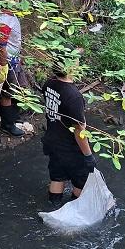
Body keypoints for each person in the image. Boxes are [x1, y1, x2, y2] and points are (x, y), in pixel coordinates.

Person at [41, 48, 96, 203]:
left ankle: (53, 207)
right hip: (70, 147)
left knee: (57, 177)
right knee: (81, 181)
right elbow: (79, 130)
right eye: (76, 62)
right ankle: (73, 212)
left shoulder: (49, 84)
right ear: (70, 67)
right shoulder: (74, 96)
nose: (79, 65)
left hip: (52, 141)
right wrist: (88, 156)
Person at [0, 0, 25, 136]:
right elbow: (1, 46)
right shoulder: (4, 21)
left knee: (19, 87)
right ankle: (8, 125)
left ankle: (12, 115)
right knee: (8, 92)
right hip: (7, 62)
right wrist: (4, 65)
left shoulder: (11, 16)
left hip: (14, 59)